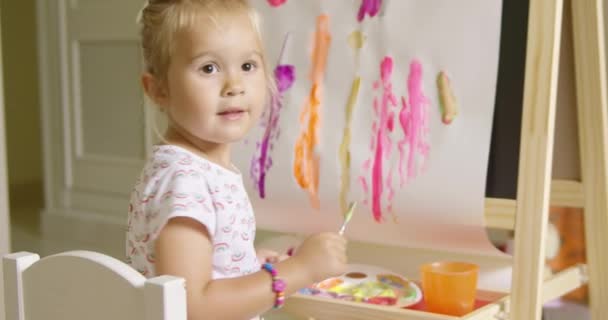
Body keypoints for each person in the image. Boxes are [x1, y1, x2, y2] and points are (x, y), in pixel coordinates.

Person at [126, 1, 348, 319]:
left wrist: (248, 265)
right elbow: (192, 306)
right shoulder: (185, 181)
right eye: (209, 68)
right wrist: (301, 270)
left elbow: (204, 274)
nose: (234, 86)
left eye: (247, 66)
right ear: (159, 89)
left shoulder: (198, 168)